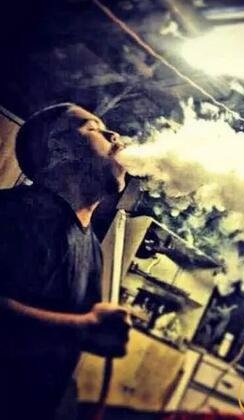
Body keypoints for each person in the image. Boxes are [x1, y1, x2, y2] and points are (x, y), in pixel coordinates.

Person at [0, 103, 131, 420]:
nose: (114, 134)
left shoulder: (93, 247)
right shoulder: (12, 212)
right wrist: (82, 328)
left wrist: (97, 333)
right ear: (59, 148)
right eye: (93, 127)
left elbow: (55, 338)